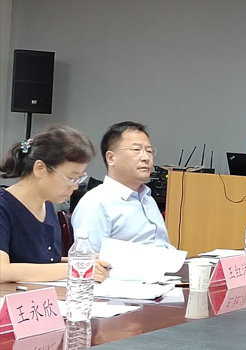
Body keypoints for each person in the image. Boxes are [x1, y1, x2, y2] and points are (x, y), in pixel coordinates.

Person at [0, 126, 110, 283]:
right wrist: (74, 267)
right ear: (40, 169)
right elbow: (2, 271)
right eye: (71, 178)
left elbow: (45, 262)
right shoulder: (4, 207)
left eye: (80, 178)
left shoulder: (47, 204)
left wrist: (86, 261)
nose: (75, 186)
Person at [71, 121, 174, 252]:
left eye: (149, 151)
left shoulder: (148, 199)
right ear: (111, 158)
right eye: (136, 150)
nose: (146, 157)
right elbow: (88, 258)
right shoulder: (96, 202)